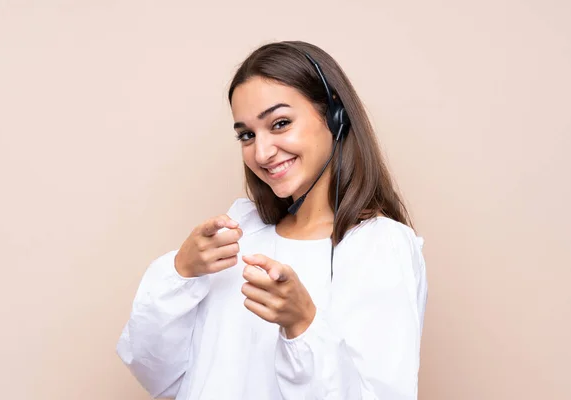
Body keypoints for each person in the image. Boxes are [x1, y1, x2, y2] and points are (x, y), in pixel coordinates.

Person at [116, 40, 428, 400]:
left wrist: (302, 324)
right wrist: (181, 271)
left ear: (335, 119)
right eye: (247, 134)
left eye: (279, 123)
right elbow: (162, 377)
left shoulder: (379, 247)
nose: (261, 152)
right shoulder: (240, 232)